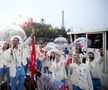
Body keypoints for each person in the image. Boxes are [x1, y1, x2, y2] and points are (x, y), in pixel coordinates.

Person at [9, 25, 35, 90]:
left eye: (15, 40)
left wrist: (32, 33)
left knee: (21, 82)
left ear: (18, 41)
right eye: (13, 40)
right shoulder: (10, 50)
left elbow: (27, 41)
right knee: (13, 84)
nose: (14, 41)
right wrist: (11, 53)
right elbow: (8, 60)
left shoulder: (21, 46)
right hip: (14, 69)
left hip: (21, 68)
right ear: (12, 42)